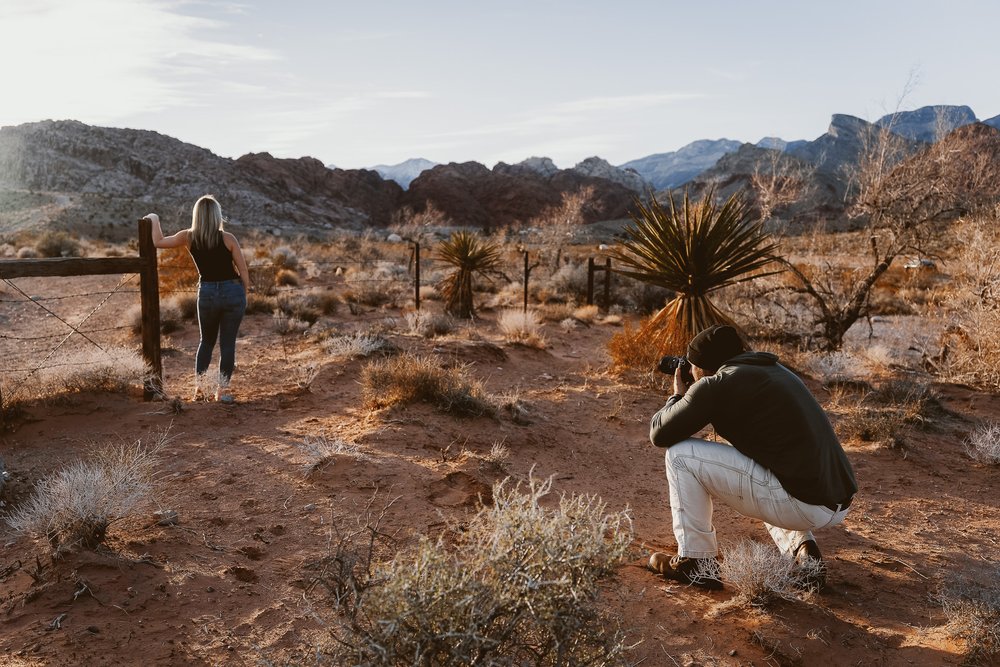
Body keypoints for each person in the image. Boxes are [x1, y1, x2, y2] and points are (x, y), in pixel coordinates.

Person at [647, 324, 857, 591]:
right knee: (766, 466)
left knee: (679, 455)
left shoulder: (716, 385)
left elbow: (659, 433)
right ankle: (803, 550)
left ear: (706, 366)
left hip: (802, 505)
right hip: (835, 502)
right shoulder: (773, 370)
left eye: (692, 365)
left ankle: (696, 562)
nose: (691, 370)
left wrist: (678, 395)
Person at [143, 195, 251, 403]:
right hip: (232, 291)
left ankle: (200, 391)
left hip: (208, 293)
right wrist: (243, 293)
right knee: (228, 344)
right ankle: (223, 391)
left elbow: (158, 242)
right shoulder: (228, 238)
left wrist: (154, 218)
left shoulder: (188, 237)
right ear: (217, 215)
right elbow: (243, 269)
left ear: (197, 215)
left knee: (206, 342)